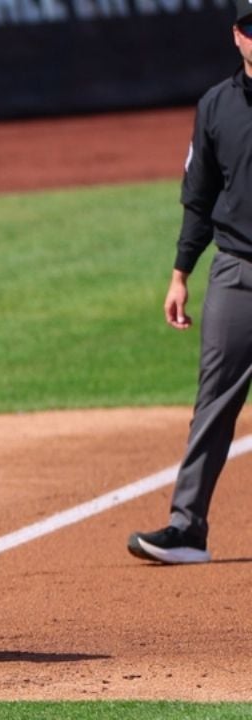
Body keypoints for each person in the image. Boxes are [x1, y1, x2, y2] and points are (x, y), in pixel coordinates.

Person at [127, 3, 252, 565]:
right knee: (214, 400)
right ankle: (186, 528)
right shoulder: (217, 106)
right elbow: (199, 198)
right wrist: (180, 273)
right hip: (237, 272)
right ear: (237, 35)